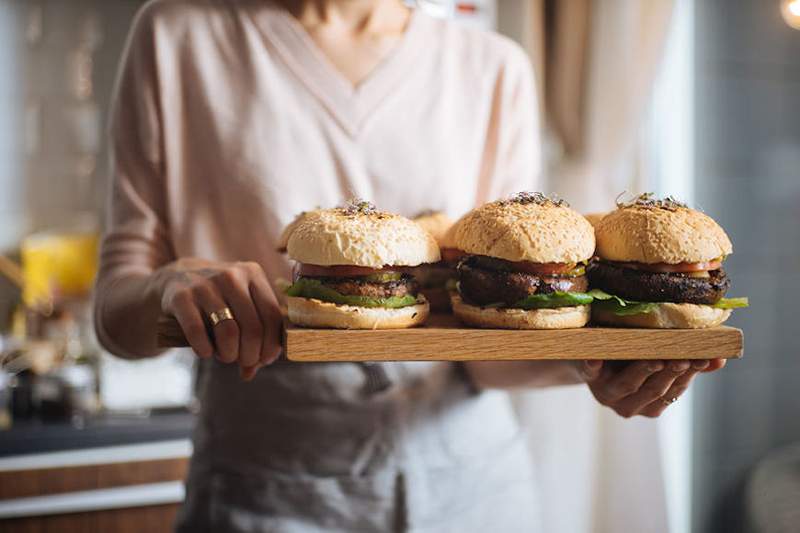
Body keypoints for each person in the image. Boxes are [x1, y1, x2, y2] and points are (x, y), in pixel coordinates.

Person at [94, 0, 724, 531]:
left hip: (473, 491)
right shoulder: (177, 35)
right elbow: (114, 315)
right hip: (265, 492)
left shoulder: (490, 66)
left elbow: (487, 352)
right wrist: (169, 284)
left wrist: (598, 364)